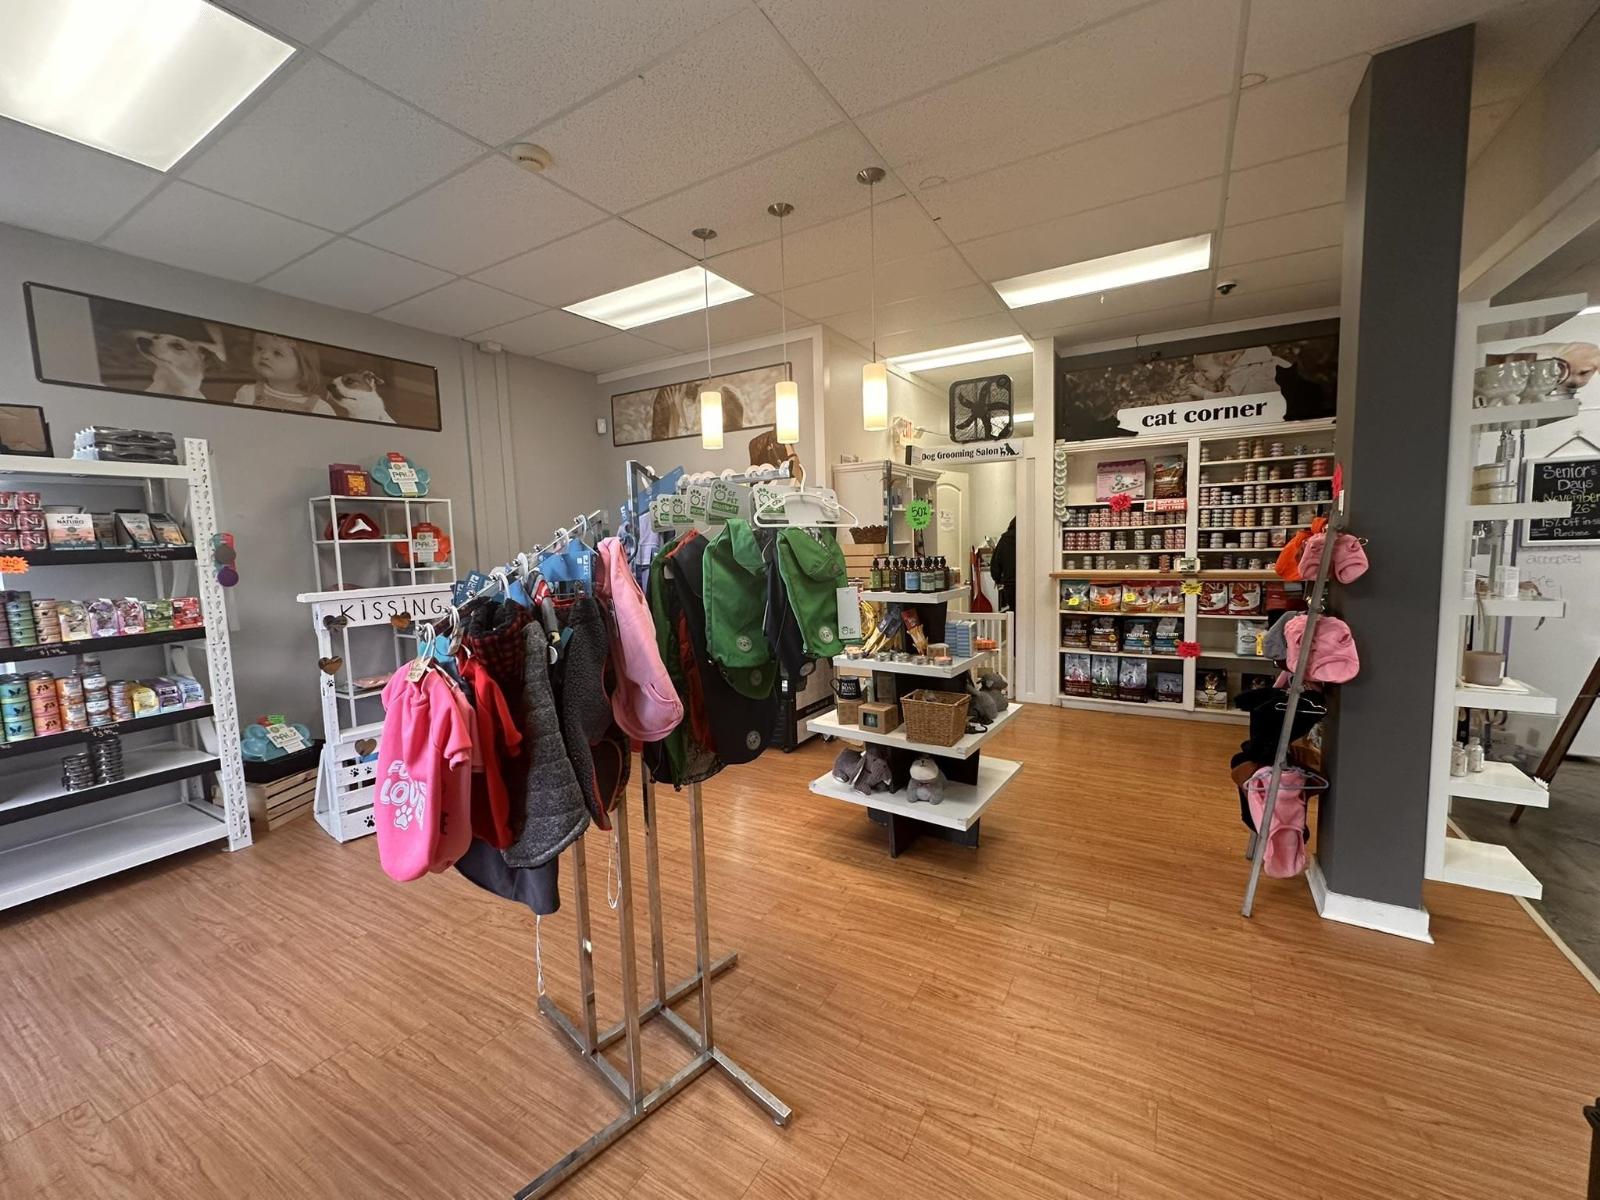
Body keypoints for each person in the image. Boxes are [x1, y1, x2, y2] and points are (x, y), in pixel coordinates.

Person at [234, 332, 332, 414]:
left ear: (303, 366)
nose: (264, 355)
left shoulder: (319, 408)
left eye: (277, 353)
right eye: (259, 348)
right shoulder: (248, 393)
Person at [991, 517, 1017, 613]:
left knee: (1013, 613)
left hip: (1010, 584)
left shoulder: (1005, 539)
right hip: (1029, 584)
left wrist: (998, 579)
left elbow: (995, 563)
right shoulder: (1030, 538)